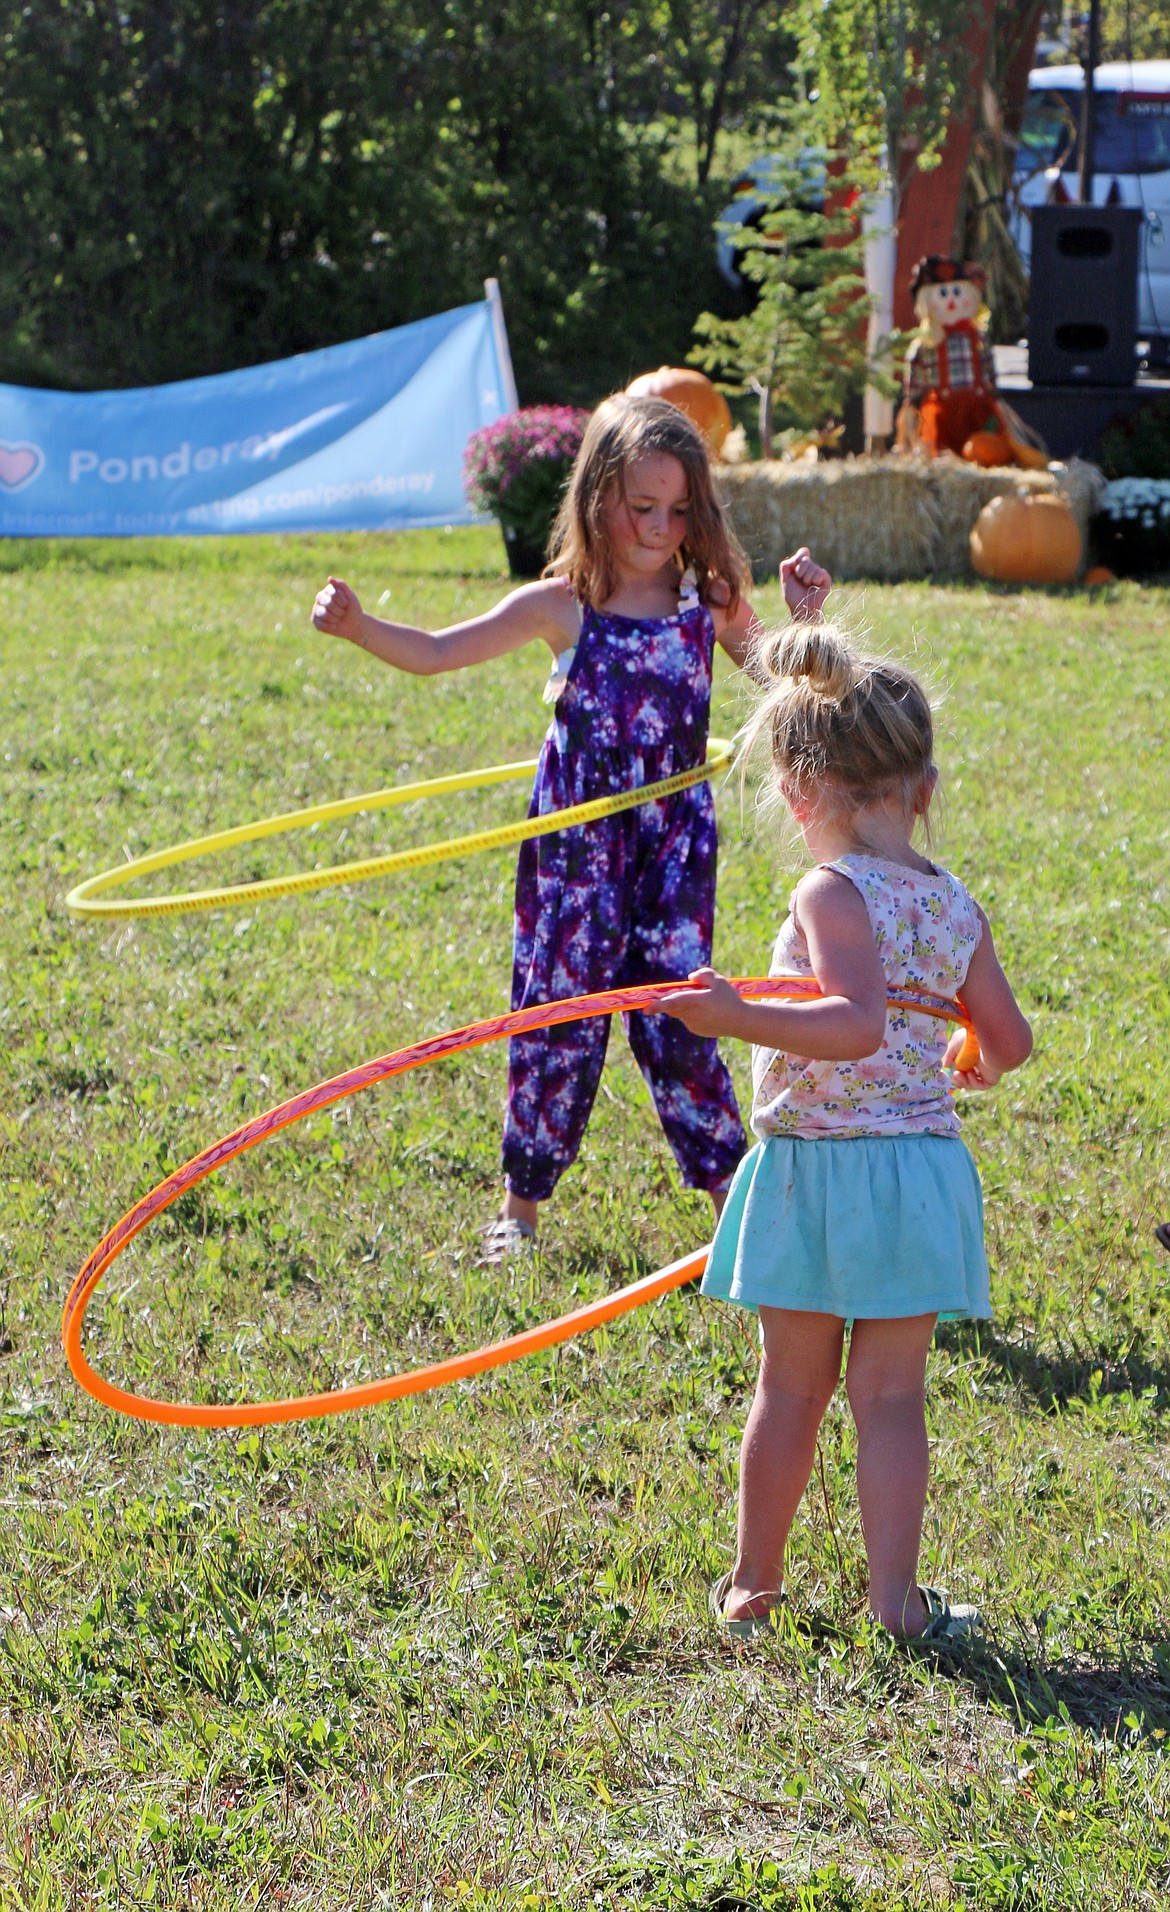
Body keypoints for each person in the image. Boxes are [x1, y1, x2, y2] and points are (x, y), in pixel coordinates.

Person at [311, 394, 830, 1258]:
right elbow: (441, 651)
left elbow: (791, 685)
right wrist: (361, 627)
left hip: (672, 851)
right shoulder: (563, 607)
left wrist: (805, 621)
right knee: (557, 1015)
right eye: (641, 509)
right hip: (577, 855)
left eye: (677, 511)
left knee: (684, 1010)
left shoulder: (707, 601)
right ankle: (519, 1211)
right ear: (599, 499)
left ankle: (733, 1206)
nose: (661, 529)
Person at [663, 620, 1033, 1643]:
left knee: (791, 1387)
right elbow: (1009, 1038)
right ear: (922, 786)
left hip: (818, 1173)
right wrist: (976, 1056)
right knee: (890, 1398)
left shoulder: (831, 889)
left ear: (798, 788)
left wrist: (734, 1013)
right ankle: (896, 1607)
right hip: (917, 1175)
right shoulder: (953, 904)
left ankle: (753, 1589)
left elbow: (855, 1019)